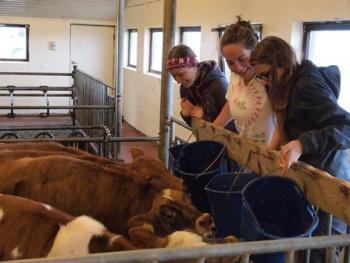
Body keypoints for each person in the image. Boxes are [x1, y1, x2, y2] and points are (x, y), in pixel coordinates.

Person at [250, 35, 350, 262]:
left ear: (283, 65)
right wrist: (267, 154)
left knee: (320, 252)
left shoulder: (306, 86)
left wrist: (302, 143)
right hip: (311, 176)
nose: (264, 82)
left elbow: (345, 127)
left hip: (329, 178)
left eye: (266, 75)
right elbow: (288, 121)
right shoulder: (288, 83)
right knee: (305, 245)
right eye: (260, 77)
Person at [213, 18, 275, 145]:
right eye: (230, 63)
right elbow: (232, 102)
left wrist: (269, 155)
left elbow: (285, 121)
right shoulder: (236, 75)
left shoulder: (270, 78)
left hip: (270, 154)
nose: (238, 68)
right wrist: (212, 131)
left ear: (255, 51)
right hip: (245, 150)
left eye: (242, 59)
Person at [166, 44, 236, 132]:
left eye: (181, 74)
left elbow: (236, 126)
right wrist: (185, 115)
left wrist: (204, 117)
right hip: (206, 138)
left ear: (194, 65)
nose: (178, 80)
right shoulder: (184, 88)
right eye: (173, 76)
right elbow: (195, 127)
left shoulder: (219, 86)